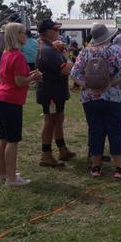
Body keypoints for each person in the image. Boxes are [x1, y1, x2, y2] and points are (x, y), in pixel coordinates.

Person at [71, 24, 121, 179]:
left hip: (90, 99)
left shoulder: (85, 52)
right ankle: (119, 168)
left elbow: (74, 73)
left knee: (95, 131)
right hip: (114, 97)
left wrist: (89, 87)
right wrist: (111, 83)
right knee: (116, 131)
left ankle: (96, 167)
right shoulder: (115, 49)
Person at [0, 23, 43, 187]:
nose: (26, 35)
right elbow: (19, 81)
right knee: (13, 140)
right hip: (10, 101)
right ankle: (12, 179)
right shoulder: (18, 56)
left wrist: (28, 75)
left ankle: (3, 172)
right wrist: (33, 78)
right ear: (16, 35)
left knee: (3, 138)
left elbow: (13, 76)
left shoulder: (6, 53)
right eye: (23, 33)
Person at [36, 18, 75, 168]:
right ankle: (46, 154)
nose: (59, 33)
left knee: (58, 119)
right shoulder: (47, 50)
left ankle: (62, 149)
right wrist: (67, 55)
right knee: (50, 122)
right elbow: (66, 69)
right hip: (51, 92)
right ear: (46, 32)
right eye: (56, 30)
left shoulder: (48, 47)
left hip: (54, 90)